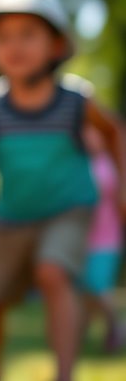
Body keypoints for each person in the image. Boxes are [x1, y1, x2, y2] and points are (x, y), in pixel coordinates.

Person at [0, 0, 126, 381]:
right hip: (13, 216)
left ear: (56, 44)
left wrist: (120, 185)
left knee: (53, 273)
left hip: (70, 208)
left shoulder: (76, 99)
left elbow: (114, 133)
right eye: (4, 37)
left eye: (28, 35)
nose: (15, 46)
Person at [81, 125, 123, 352]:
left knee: (98, 286)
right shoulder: (78, 163)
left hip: (107, 237)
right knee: (86, 289)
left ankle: (116, 328)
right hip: (82, 237)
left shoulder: (111, 165)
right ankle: (83, 333)